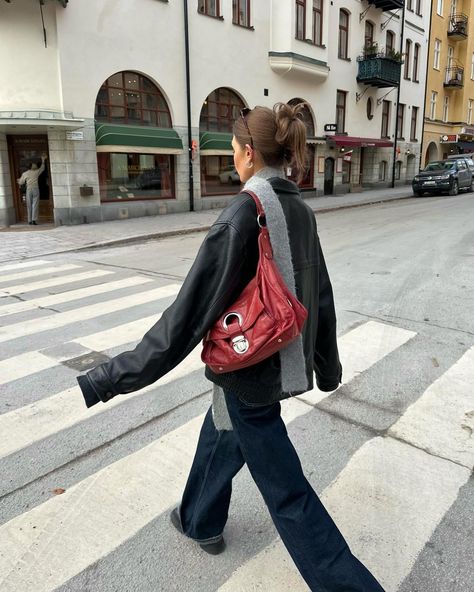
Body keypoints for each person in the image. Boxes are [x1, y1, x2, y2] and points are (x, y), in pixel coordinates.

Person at [76, 103, 385, 591]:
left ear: (245, 152)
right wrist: (327, 366)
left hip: (251, 371)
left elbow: (185, 319)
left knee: (289, 497)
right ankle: (201, 519)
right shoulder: (301, 210)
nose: (233, 157)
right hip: (272, 362)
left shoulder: (243, 213)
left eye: (233, 150)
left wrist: (110, 377)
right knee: (223, 429)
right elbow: (320, 294)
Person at [17, 154, 47, 225]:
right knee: (35, 204)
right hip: (35, 189)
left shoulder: (25, 173)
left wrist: (18, 180)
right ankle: (34, 220)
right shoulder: (36, 172)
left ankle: (29, 220)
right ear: (32, 167)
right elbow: (42, 168)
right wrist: (43, 160)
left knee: (29, 205)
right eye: (34, 165)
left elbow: (21, 182)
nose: (35, 166)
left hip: (29, 189)